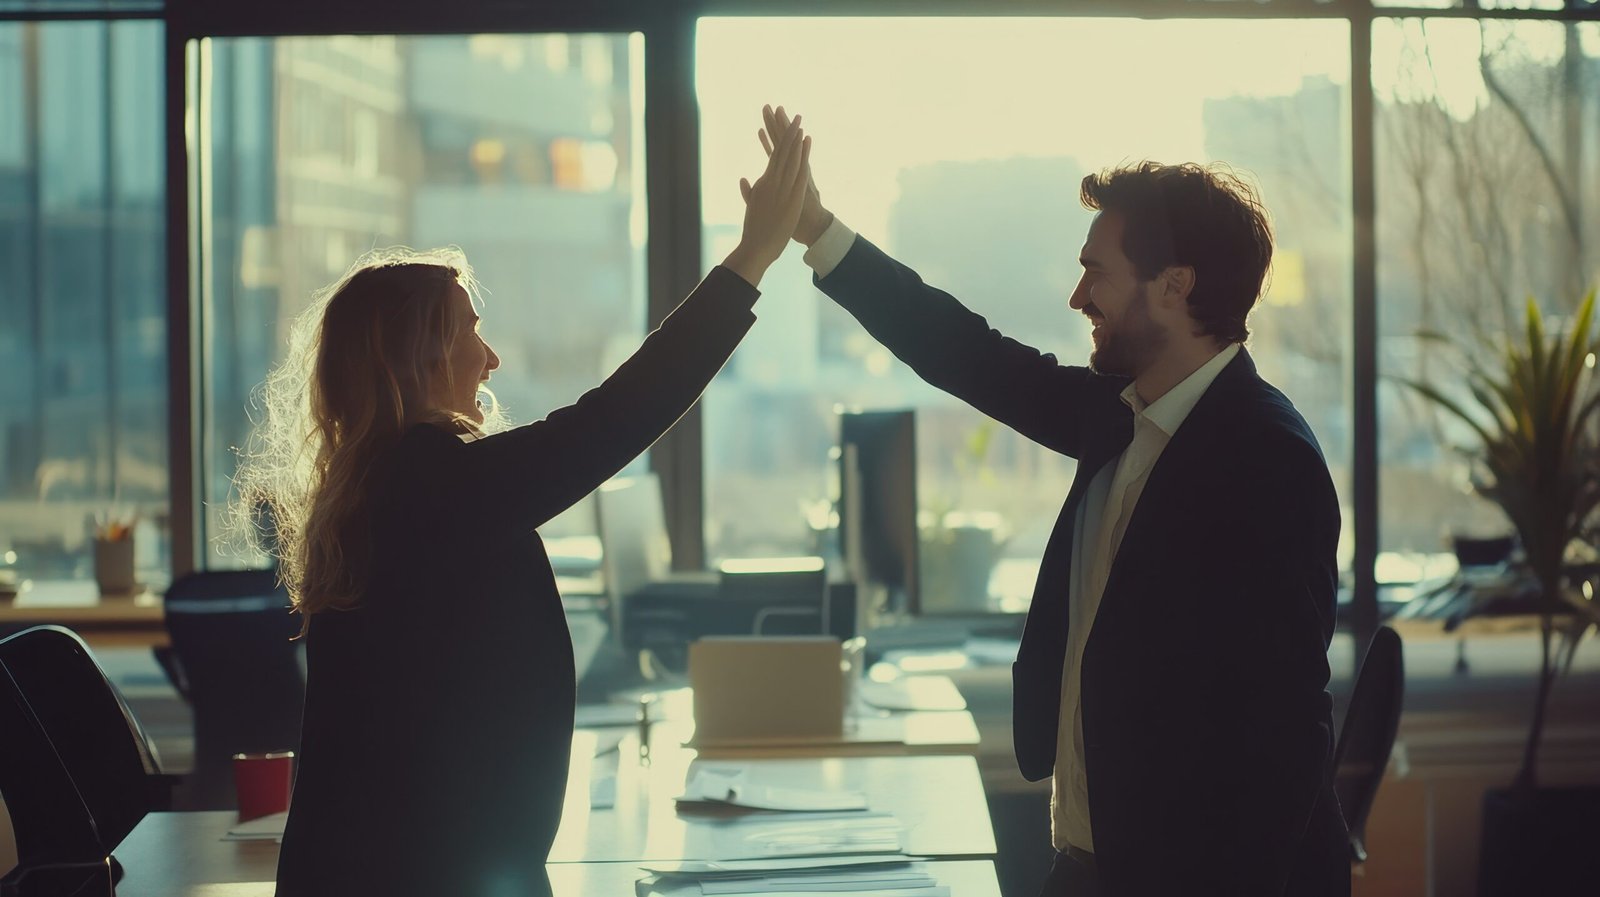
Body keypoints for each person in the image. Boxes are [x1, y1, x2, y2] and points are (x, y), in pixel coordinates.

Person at [755, 106, 1347, 896]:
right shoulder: (1118, 415)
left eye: (1096, 270)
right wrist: (819, 228)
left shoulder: (1265, 457)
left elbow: (1283, 736)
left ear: (1175, 287)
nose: (1077, 296)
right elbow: (969, 353)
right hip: (1088, 862)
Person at [230, 117, 812, 897]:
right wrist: (751, 261)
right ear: (419, 357)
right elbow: (617, 417)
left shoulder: (389, 484)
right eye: (473, 330)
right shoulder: (428, 483)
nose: (492, 357)